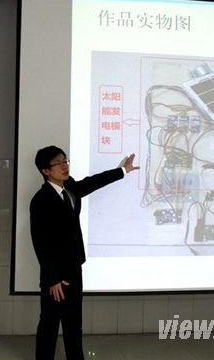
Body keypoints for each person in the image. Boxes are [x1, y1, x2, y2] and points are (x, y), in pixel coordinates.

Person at [30, 145, 139, 360]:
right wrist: (52, 279)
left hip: (74, 268)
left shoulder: (69, 186)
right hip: (55, 277)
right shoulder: (40, 200)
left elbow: (92, 182)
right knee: (50, 324)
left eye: (65, 161)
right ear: (45, 171)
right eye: (58, 163)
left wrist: (122, 171)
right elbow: (40, 243)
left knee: (73, 322)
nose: (65, 166)